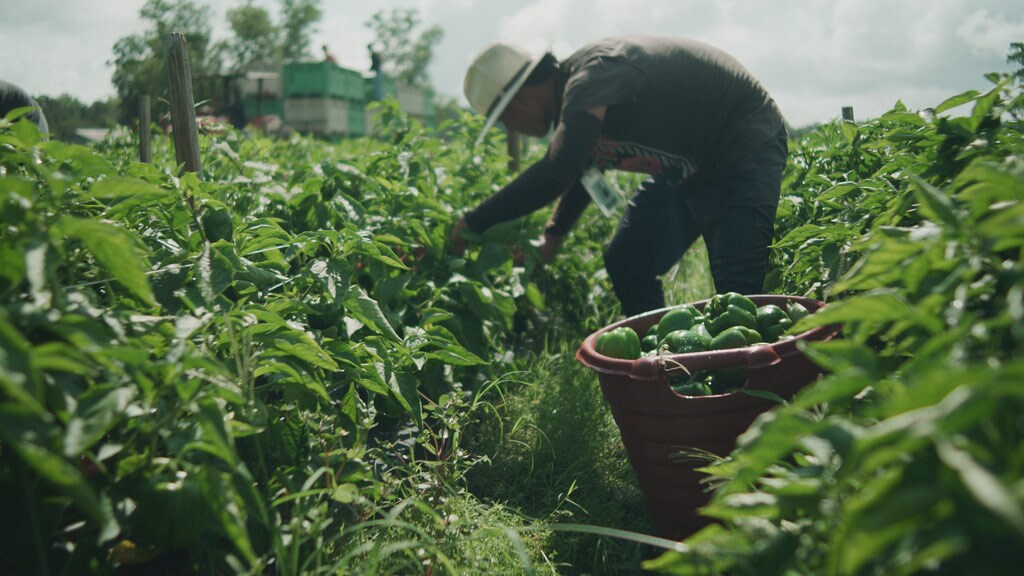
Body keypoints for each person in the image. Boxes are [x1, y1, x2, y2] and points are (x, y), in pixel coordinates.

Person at [449, 36, 787, 316]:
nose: (512, 129)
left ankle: (764, 390)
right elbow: (582, 166)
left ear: (520, 100)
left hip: (742, 146)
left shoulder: (593, 76)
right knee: (628, 260)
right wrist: (553, 236)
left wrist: (473, 222)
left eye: (505, 120)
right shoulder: (580, 101)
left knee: (739, 296)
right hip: (686, 168)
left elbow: (558, 170)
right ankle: (663, 368)